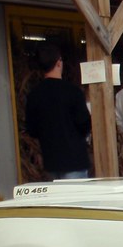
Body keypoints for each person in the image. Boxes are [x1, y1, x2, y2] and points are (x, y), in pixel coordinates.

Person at [24, 43, 92, 179]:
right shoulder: (73, 92)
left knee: (57, 199)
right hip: (75, 159)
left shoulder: (34, 95)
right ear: (59, 62)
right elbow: (84, 124)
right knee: (76, 199)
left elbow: (31, 129)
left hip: (51, 160)